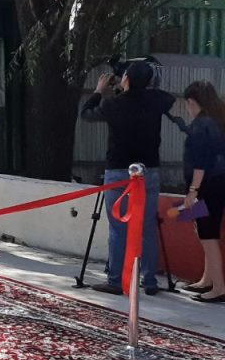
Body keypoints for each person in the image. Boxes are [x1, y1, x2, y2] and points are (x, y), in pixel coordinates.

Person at [80, 63, 174, 296]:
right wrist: (146, 84)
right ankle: (149, 280)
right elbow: (167, 98)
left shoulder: (113, 104)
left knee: (118, 227)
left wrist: (99, 90)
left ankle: (116, 280)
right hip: (148, 170)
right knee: (148, 227)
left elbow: (86, 115)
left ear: (127, 80)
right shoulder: (156, 101)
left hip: (119, 170)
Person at [178, 81, 225, 303]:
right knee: (206, 231)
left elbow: (200, 163)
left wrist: (192, 192)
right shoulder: (218, 119)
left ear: (191, 102)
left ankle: (219, 287)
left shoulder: (201, 124)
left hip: (205, 186)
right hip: (218, 185)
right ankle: (207, 279)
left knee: (207, 235)